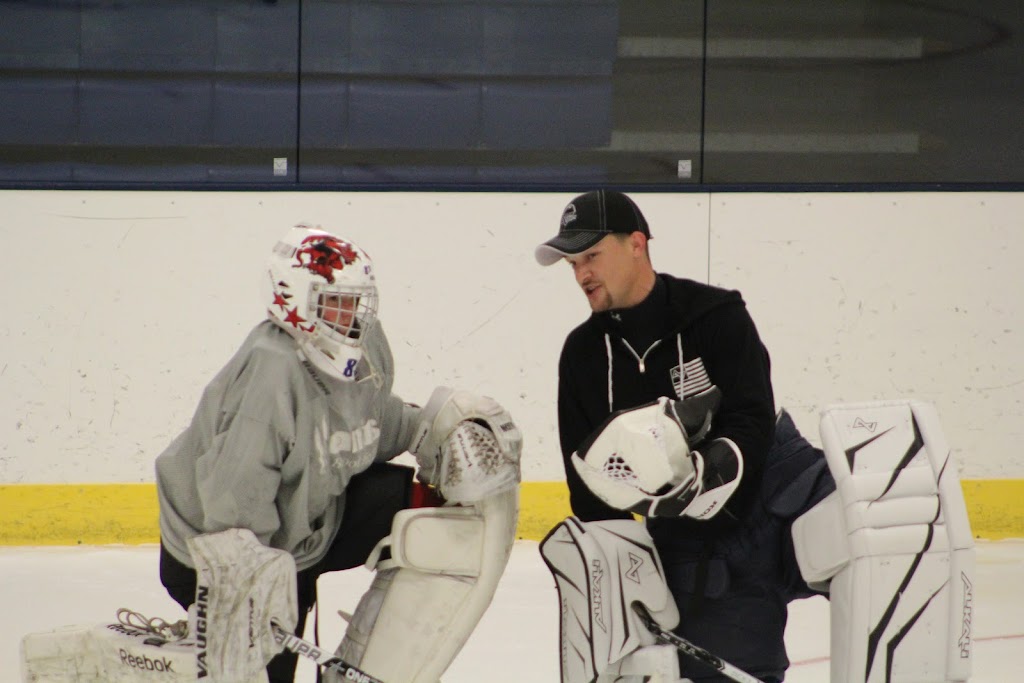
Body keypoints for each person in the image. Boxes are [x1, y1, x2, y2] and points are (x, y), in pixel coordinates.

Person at [155, 223, 521, 683]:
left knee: (424, 512)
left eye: (357, 301)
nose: (354, 315)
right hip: (217, 554)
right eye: (338, 302)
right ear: (295, 299)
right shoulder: (272, 373)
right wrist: (255, 587)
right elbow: (233, 502)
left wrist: (426, 429)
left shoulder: (359, 346)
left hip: (302, 530)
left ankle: (382, 661)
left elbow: (365, 420)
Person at [534, 191, 835, 682]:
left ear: (636, 244)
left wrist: (713, 466)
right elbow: (590, 485)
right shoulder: (583, 356)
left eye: (591, 255)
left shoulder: (715, 314)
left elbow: (752, 417)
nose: (581, 273)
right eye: (572, 263)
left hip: (778, 489)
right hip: (694, 544)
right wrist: (619, 575)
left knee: (883, 538)